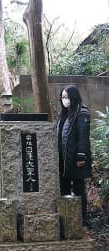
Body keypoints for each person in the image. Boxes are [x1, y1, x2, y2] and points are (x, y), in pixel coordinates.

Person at [57, 85, 92, 224]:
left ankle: (81, 220)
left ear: (74, 97)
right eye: (62, 97)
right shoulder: (63, 114)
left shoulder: (82, 112)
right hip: (64, 158)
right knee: (64, 188)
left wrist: (81, 156)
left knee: (78, 188)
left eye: (67, 97)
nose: (64, 100)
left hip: (76, 158)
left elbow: (83, 137)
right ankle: (67, 219)